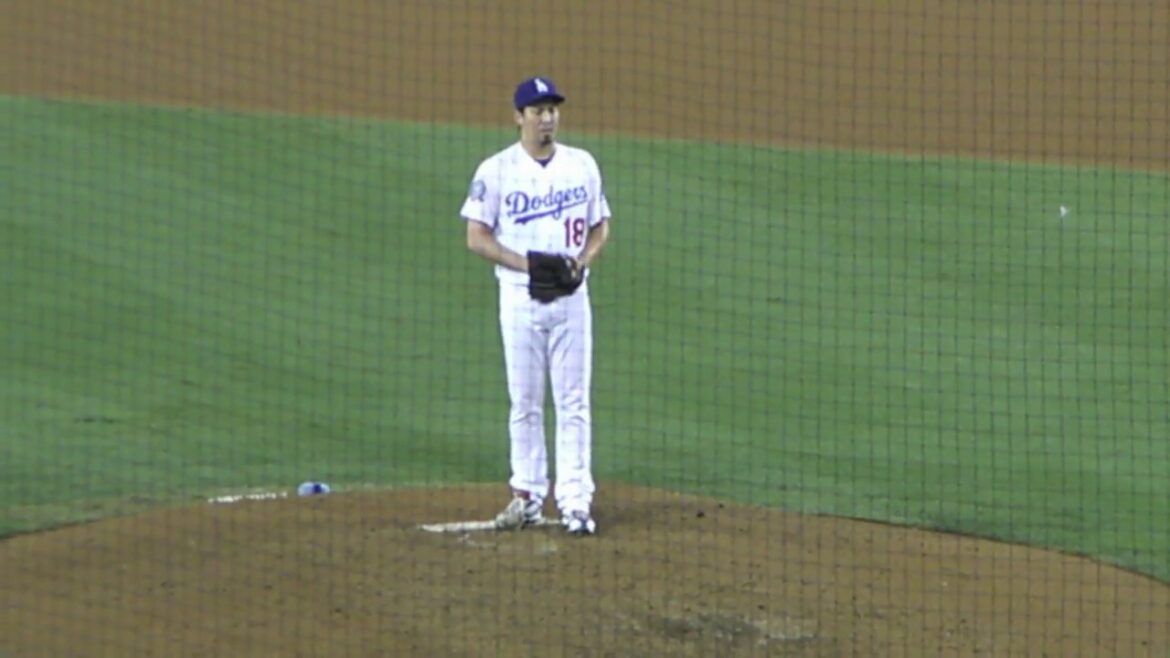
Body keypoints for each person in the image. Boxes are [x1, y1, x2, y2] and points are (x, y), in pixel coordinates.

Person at [460, 76, 612, 536]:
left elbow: (601, 224)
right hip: (520, 300)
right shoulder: (496, 170)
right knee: (525, 401)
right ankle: (527, 494)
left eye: (552, 110)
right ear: (518, 117)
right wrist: (526, 263)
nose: (547, 118)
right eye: (538, 111)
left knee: (573, 401)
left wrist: (582, 263)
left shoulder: (582, 164)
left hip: (571, 301)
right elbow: (476, 237)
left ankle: (575, 501)